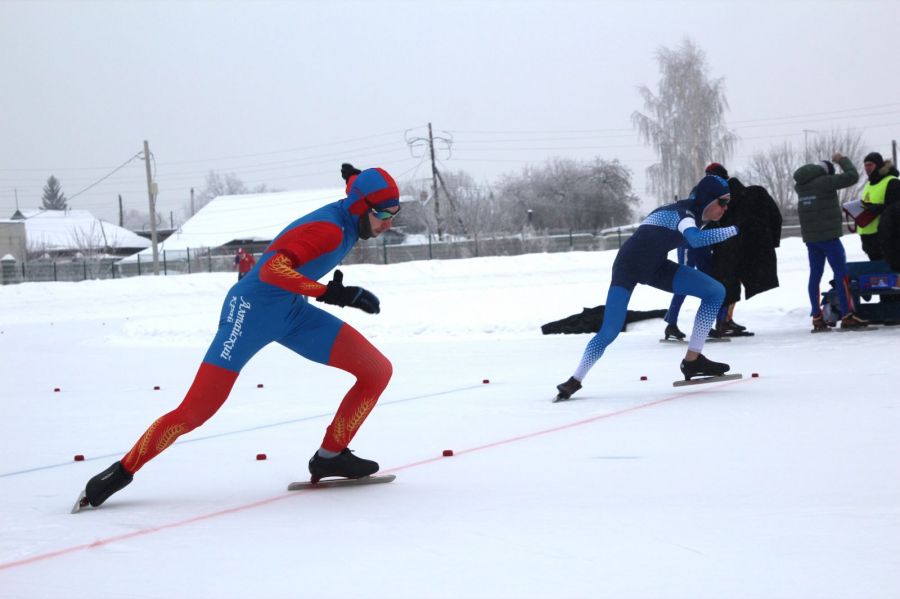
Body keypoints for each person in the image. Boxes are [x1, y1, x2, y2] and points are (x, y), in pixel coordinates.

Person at [76, 166, 401, 509]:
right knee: (194, 411)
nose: (387, 222)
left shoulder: (354, 210)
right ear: (358, 207)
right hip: (248, 314)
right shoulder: (330, 230)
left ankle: (331, 456)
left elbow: (356, 186)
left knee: (376, 370)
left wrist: (353, 176)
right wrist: (329, 293)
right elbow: (271, 269)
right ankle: (120, 471)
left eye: (394, 213)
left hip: (291, 313)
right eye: (381, 214)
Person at [555, 174, 737, 400]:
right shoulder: (684, 215)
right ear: (708, 199)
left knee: (715, 291)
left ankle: (693, 361)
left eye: (728, 202)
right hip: (627, 268)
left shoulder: (696, 214)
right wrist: (736, 230)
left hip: (656, 266)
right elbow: (696, 240)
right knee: (609, 331)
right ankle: (574, 380)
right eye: (722, 201)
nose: (725, 207)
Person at [793, 152, 867, 331]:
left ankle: (817, 317)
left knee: (815, 276)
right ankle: (848, 316)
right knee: (841, 275)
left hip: (812, 240)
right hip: (829, 238)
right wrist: (842, 160)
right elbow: (852, 176)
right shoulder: (824, 182)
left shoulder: (801, 186)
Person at [663, 163, 726, 340]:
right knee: (682, 282)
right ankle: (671, 324)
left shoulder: (708, 190)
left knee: (710, 284)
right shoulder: (701, 191)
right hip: (689, 243)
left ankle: (704, 325)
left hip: (702, 243)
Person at [858, 152, 900, 260]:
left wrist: (876, 208)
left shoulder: (892, 182)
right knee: (877, 274)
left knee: (890, 273)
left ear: (879, 165)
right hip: (869, 238)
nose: (867, 168)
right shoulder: (868, 185)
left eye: (870, 165)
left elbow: (895, 208)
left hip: (886, 237)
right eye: (865, 165)